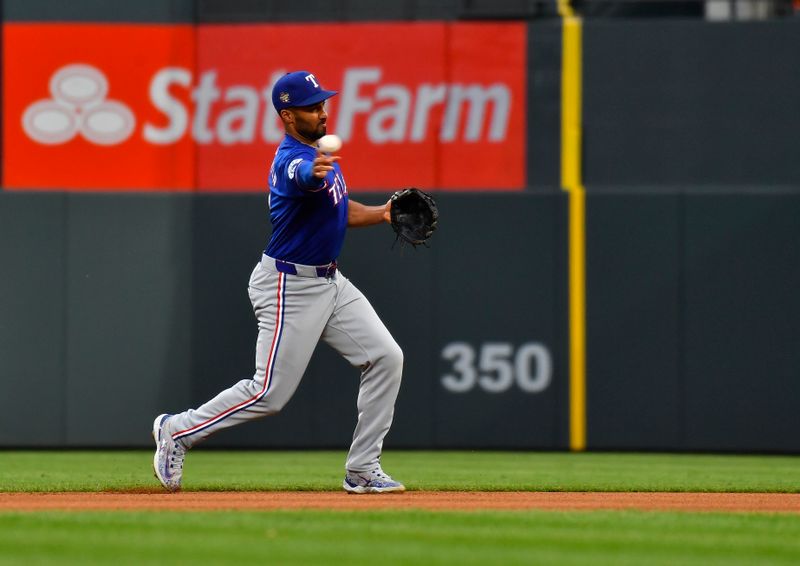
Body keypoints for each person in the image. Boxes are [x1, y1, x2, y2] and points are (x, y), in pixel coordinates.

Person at [152, 71, 405, 494]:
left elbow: (340, 210)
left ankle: (362, 468)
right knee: (268, 393)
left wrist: (382, 213)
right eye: (312, 107)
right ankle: (177, 430)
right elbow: (302, 177)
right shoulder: (293, 160)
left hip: (331, 282)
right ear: (288, 116)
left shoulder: (314, 156)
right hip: (289, 285)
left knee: (386, 357)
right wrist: (314, 174)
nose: (322, 112)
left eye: (323, 104)